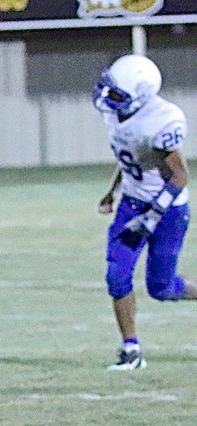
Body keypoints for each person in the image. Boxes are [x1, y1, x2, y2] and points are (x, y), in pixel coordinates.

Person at [93, 53, 197, 371]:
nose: (108, 97)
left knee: (162, 288)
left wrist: (151, 217)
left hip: (167, 211)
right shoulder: (117, 115)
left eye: (117, 93)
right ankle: (131, 349)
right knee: (117, 276)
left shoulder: (161, 119)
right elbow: (130, 158)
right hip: (131, 204)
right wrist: (112, 191)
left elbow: (180, 176)